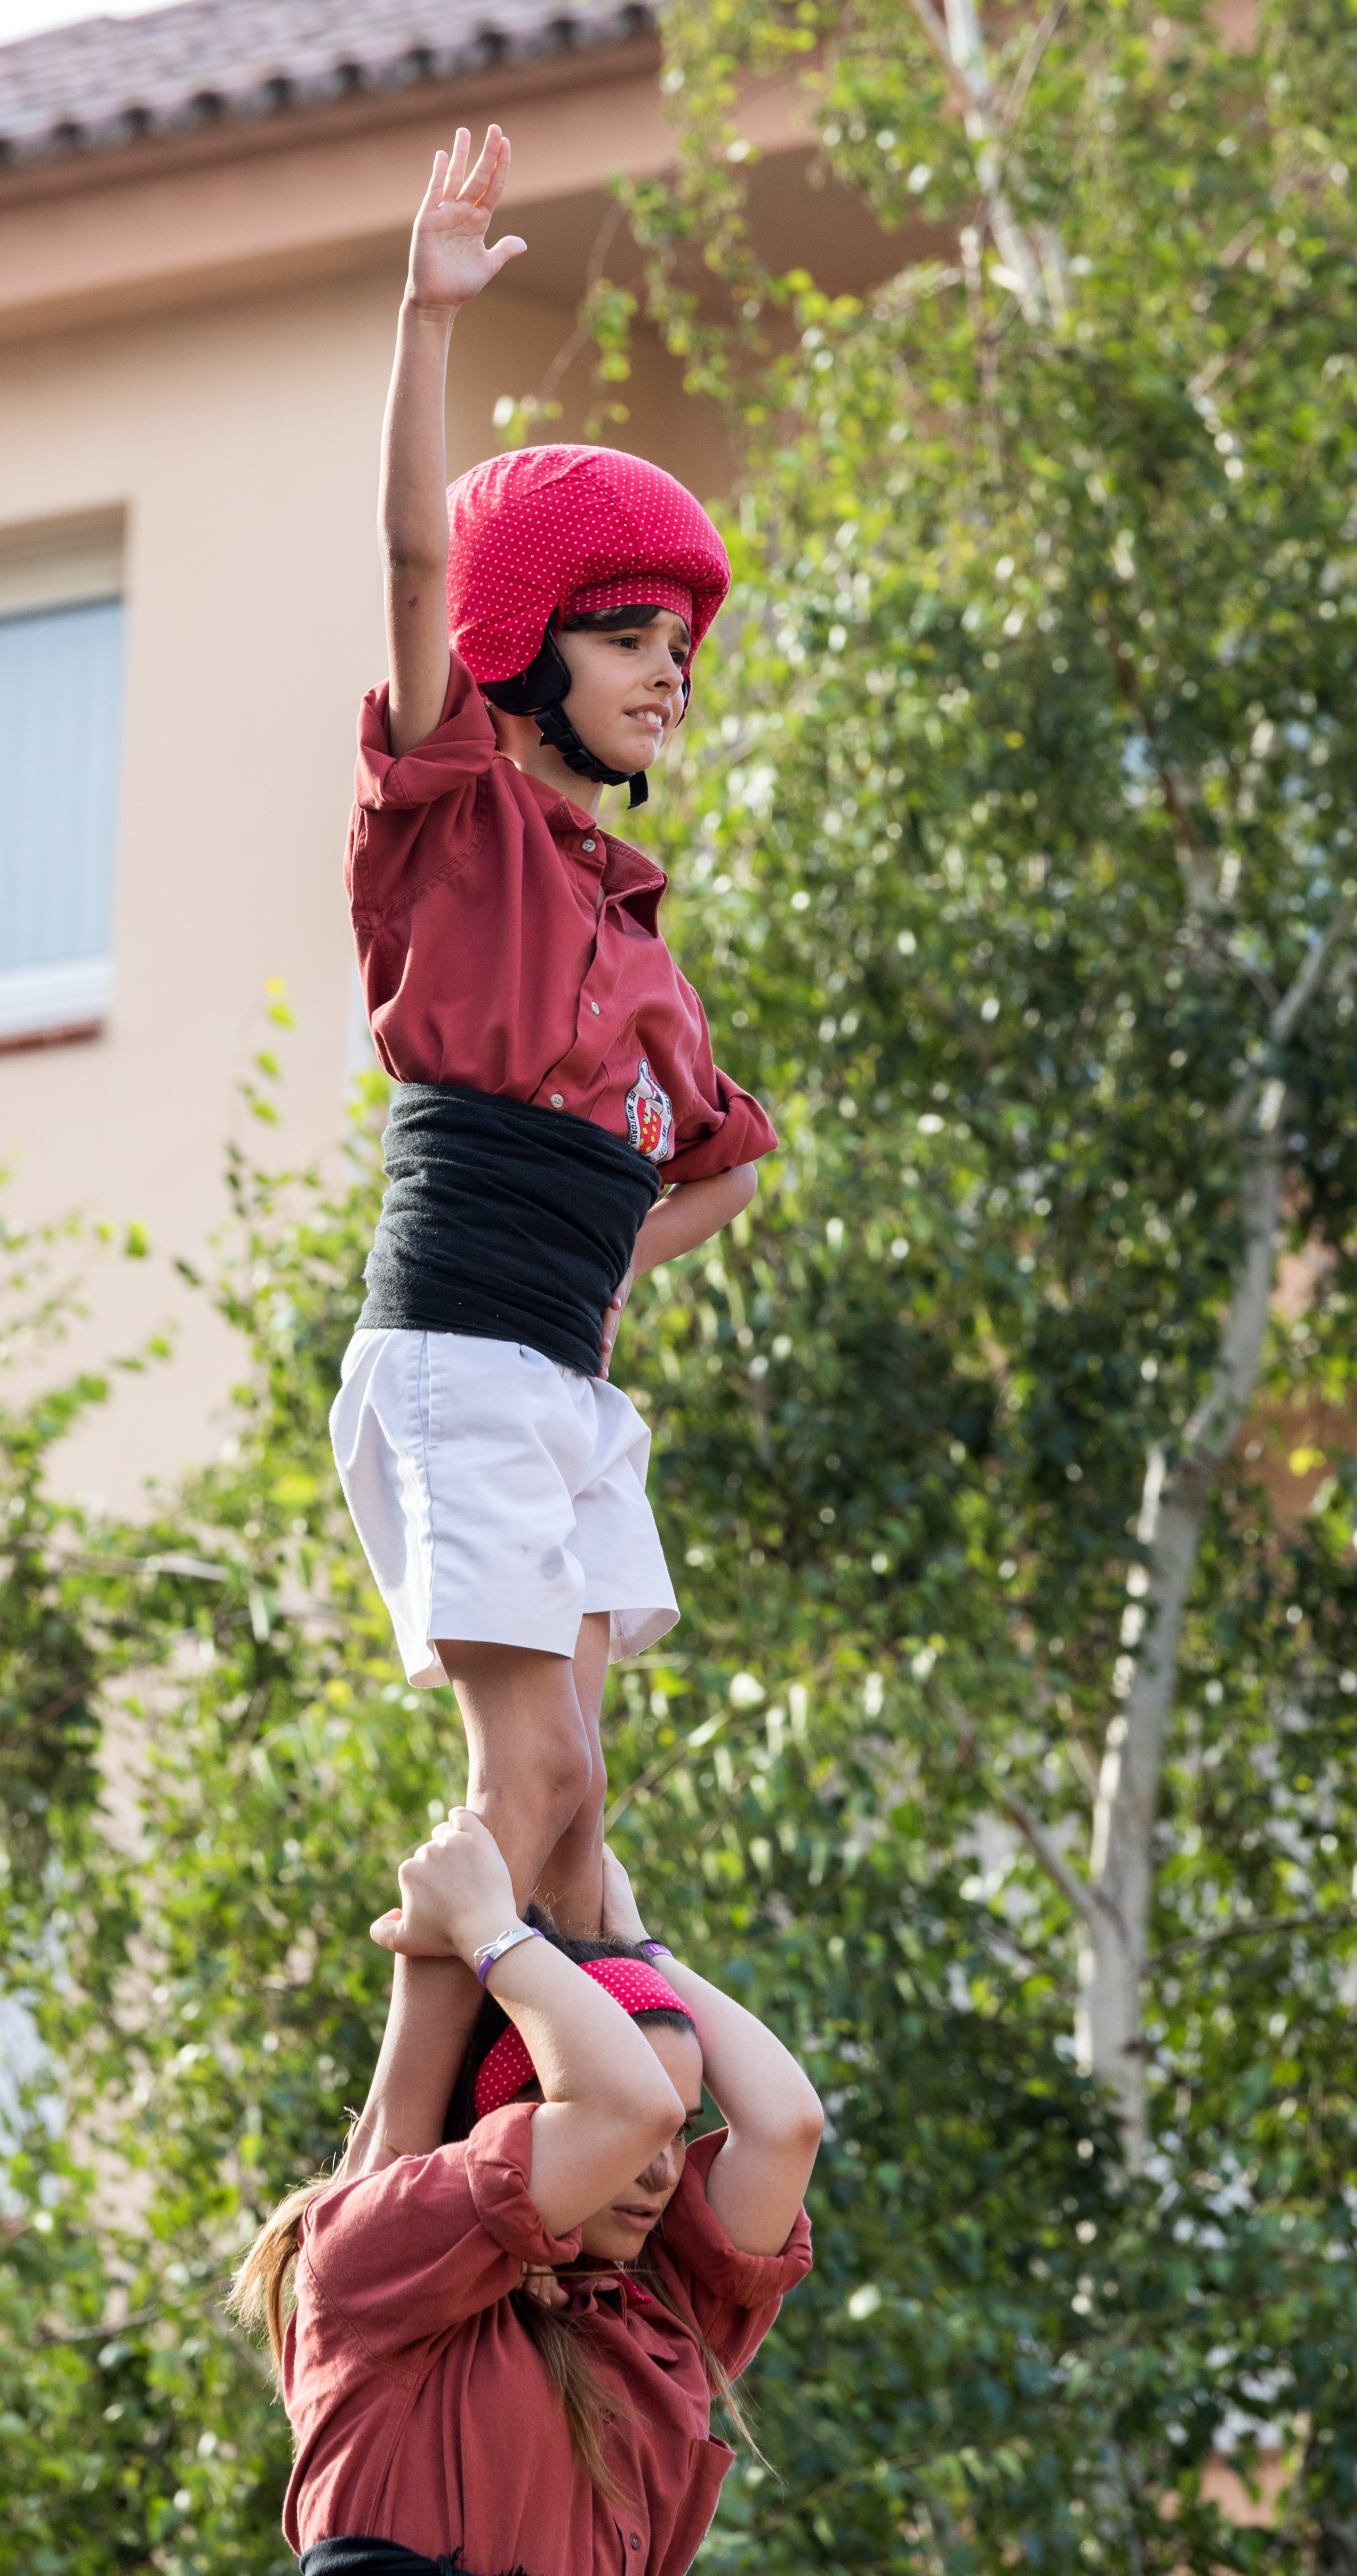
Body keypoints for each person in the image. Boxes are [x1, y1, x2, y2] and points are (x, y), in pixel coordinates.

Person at [328, 124, 778, 2017]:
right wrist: (427, 317)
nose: (668, 672)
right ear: (527, 652)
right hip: (458, 1355)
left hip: (561, 1373)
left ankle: (588, 2129)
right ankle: (399, 2147)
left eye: (680, 643)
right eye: (625, 636)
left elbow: (726, 1166)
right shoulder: (456, 819)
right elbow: (415, 556)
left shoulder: (642, 945)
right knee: (533, 1778)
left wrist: (600, 1274)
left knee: (580, 1816)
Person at [231, 1812, 821, 2576]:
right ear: (510, 2117)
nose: (660, 2169)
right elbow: (627, 2110)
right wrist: (486, 1930)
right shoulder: (375, 2262)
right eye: (643, 2132)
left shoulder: (657, 2320)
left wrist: (644, 1951)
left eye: (682, 2130)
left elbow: (787, 2126)